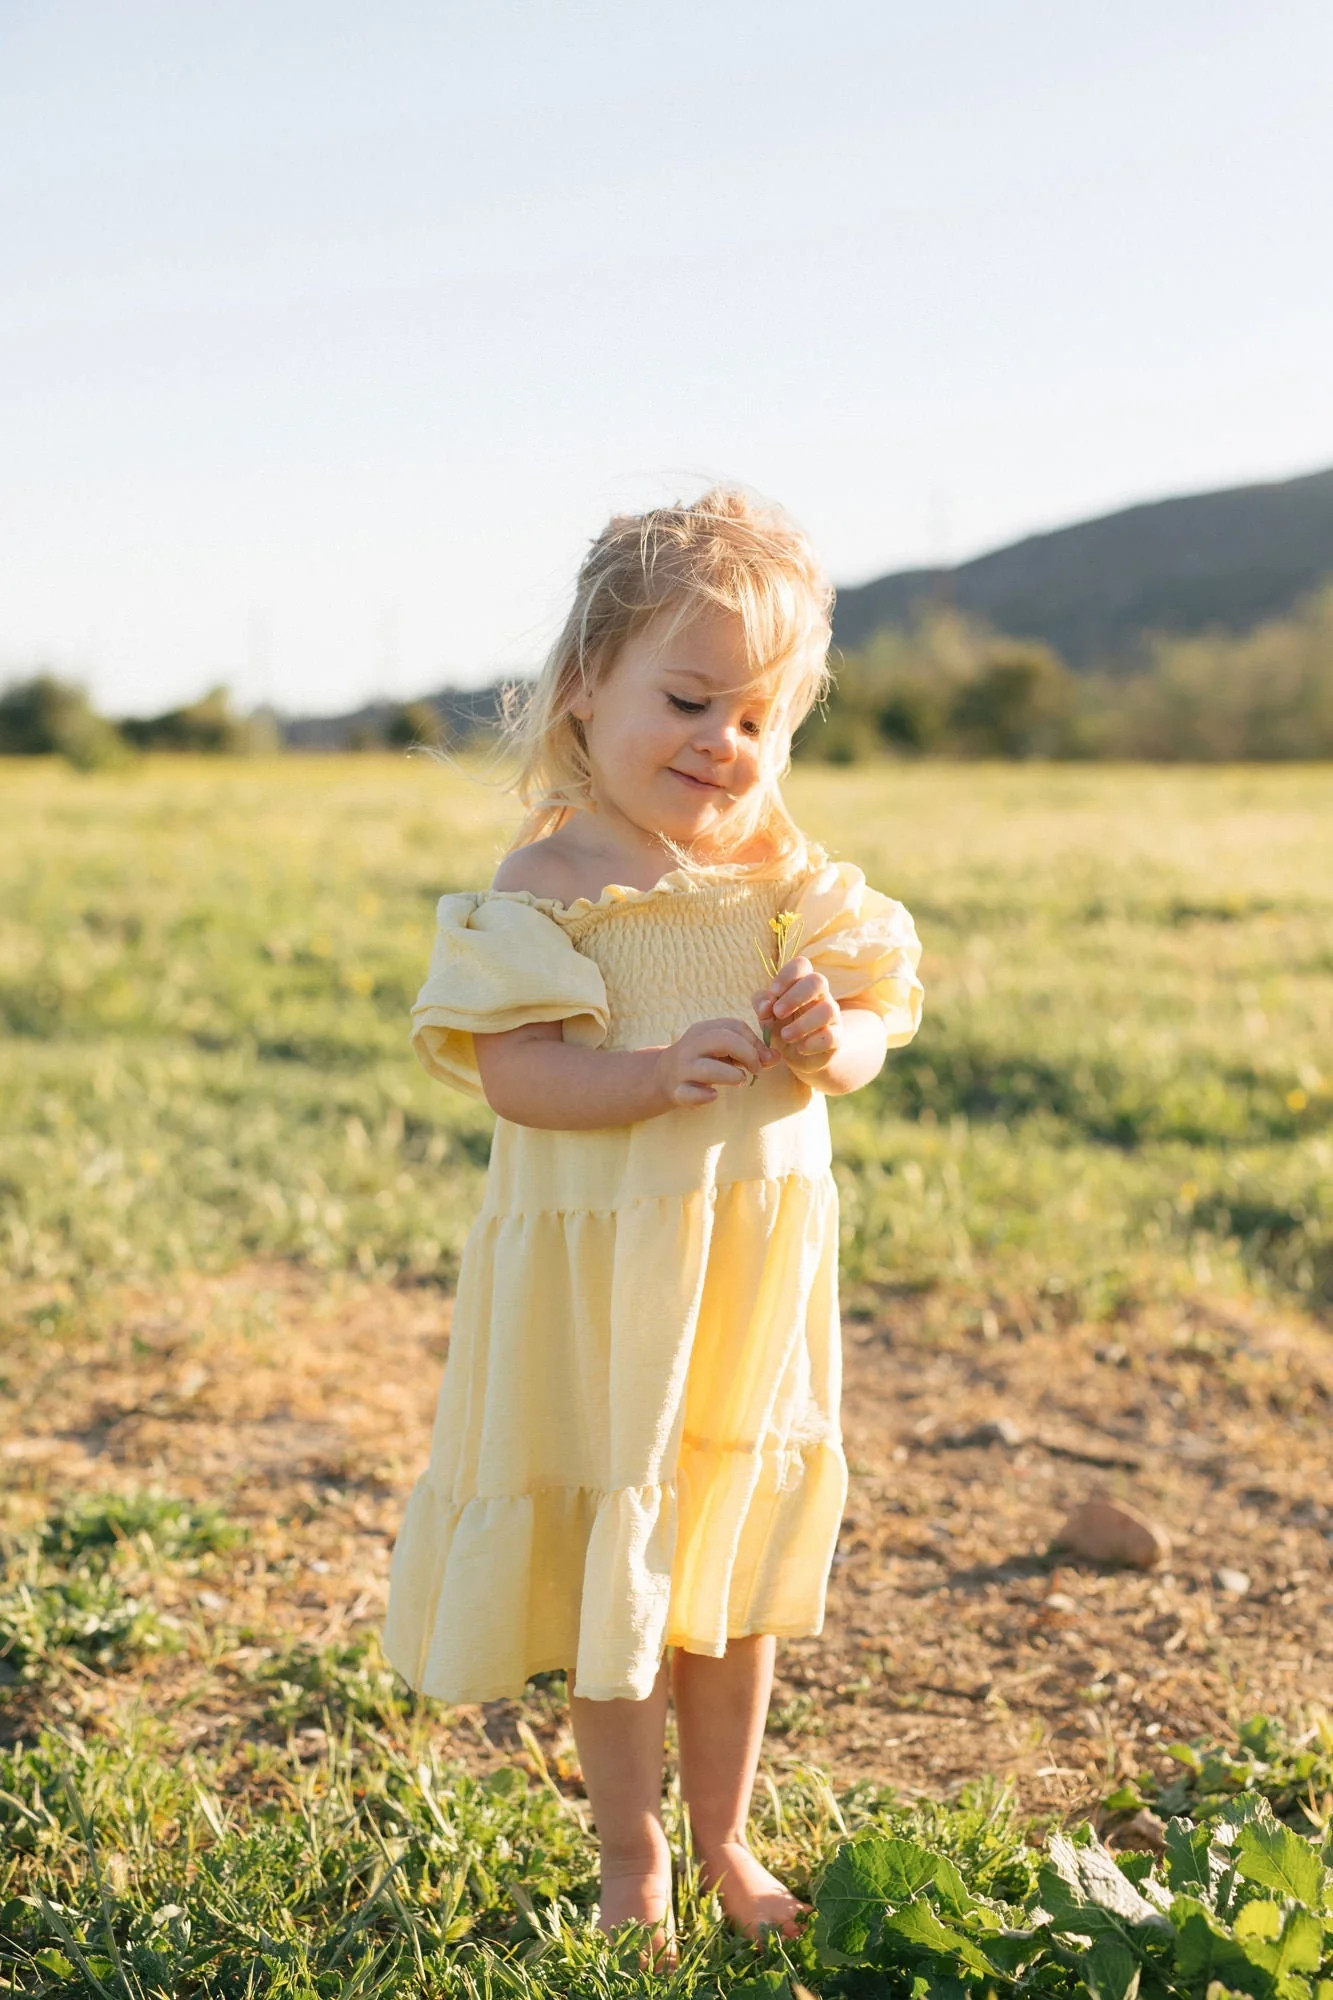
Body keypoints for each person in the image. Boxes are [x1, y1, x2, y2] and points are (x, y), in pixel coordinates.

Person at [382, 485, 924, 1972]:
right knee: (625, 1567)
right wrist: (642, 1076)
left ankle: (727, 1832)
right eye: (688, 699)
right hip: (611, 1286)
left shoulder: (786, 880)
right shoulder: (547, 883)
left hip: (742, 1284)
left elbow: (878, 1018)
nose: (723, 745)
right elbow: (514, 1076)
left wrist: (834, 1035)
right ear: (583, 689)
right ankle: (633, 1861)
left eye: (759, 717)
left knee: (729, 1569)